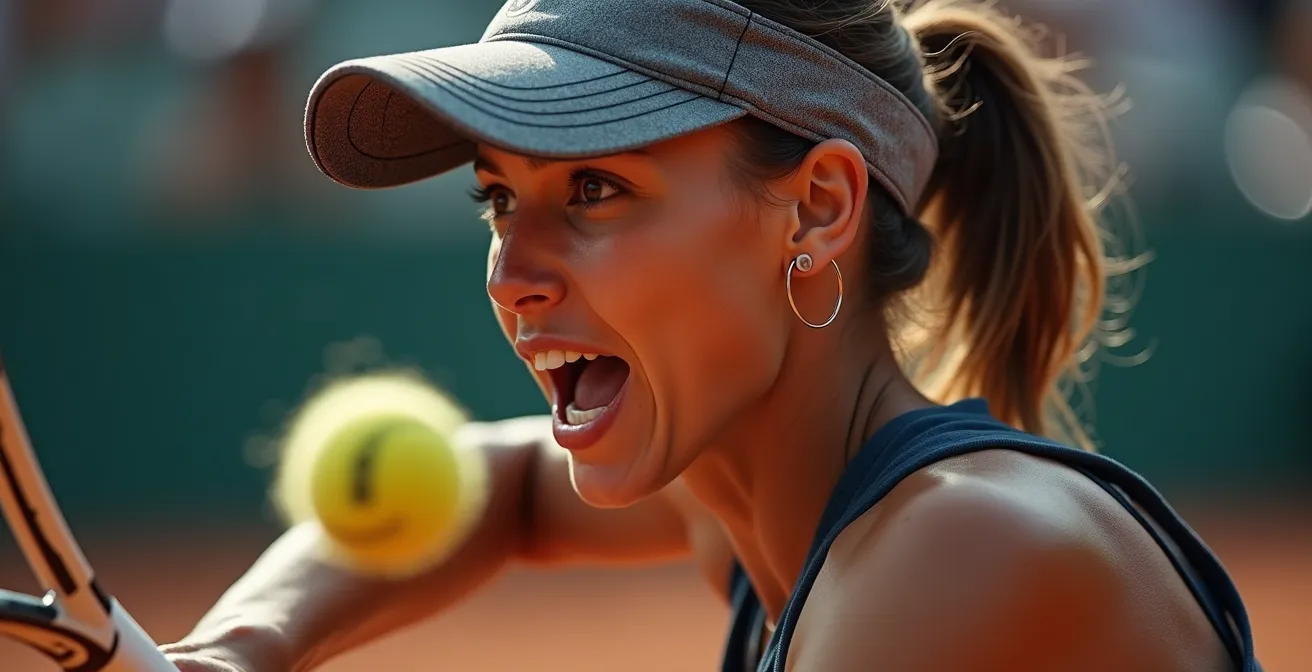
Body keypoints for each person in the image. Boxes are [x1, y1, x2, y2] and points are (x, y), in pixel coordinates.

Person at [163, 0, 1261, 670]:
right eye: (497, 200)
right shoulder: (746, 495)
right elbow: (487, 478)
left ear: (819, 207)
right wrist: (241, 646)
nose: (513, 272)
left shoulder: (959, 547)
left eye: (593, 188)